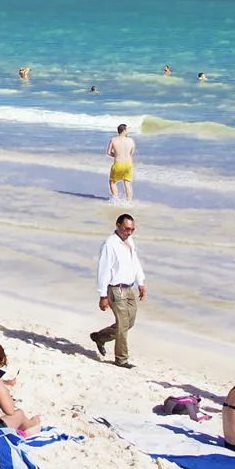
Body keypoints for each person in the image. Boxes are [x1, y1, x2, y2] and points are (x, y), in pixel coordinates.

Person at [90, 213, 144, 368]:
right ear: (118, 225)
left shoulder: (129, 241)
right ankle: (121, 359)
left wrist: (141, 282)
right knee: (122, 324)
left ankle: (100, 337)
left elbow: (135, 262)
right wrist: (102, 295)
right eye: (127, 229)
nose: (129, 232)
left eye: (132, 229)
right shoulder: (110, 244)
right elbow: (104, 270)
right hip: (115, 289)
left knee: (129, 322)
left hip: (129, 288)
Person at [106, 123, 135, 201]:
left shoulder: (113, 139)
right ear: (124, 131)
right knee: (127, 183)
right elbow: (131, 153)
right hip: (128, 164)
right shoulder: (131, 140)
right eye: (127, 130)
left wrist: (116, 155)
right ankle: (129, 201)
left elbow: (108, 152)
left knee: (112, 181)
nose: (127, 132)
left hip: (118, 163)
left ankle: (115, 198)